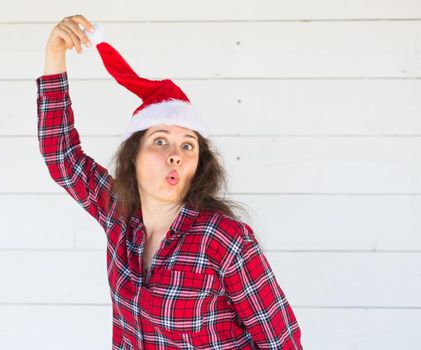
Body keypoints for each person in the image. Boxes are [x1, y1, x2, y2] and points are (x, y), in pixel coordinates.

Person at [36, 14, 303, 350]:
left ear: (198, 166)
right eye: (160, 141)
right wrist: (54, 55)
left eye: (187, 145)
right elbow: (61, 158)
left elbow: (282, 342)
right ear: (133, 157)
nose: (174, 154)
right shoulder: (119, 216)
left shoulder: (224, 240)